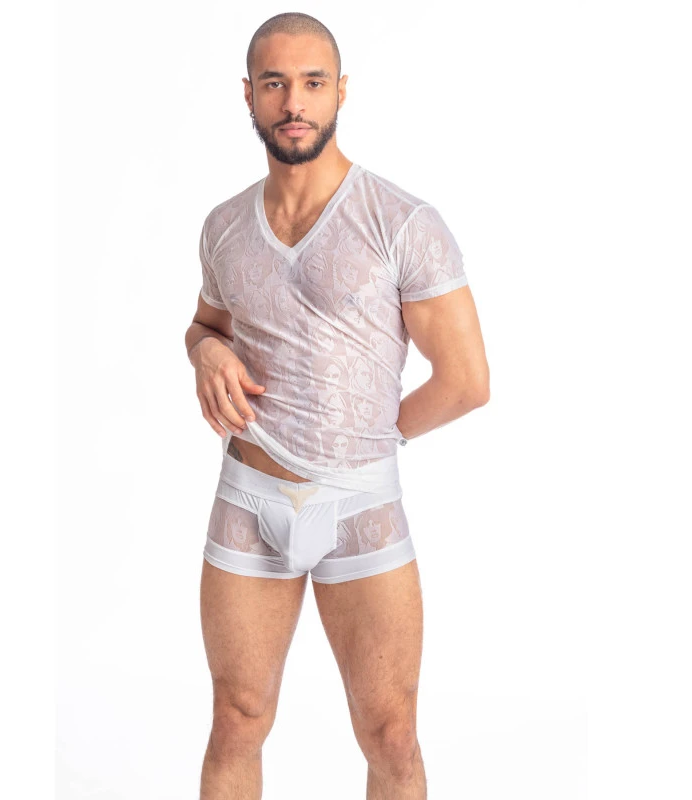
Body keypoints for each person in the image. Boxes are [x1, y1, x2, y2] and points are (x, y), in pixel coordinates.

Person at [185, 12, 490, 799]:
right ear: (249, 95)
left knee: (391, 735)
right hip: (249, 499)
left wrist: (363, 440)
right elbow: (205, 326)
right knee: (236, 720)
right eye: (276, 83)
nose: (295, 102)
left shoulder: (402, 222)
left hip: (361, 503)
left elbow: (466, 380)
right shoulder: (224, 227)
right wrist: (207, 352)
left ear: (341, 92)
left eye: (313, 83)